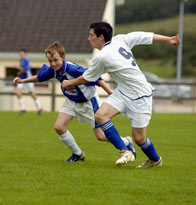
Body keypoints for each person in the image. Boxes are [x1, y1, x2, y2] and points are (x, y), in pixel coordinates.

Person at [62, 22, 180, 167]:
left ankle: (155, 161)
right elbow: (145, 36)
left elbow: (87, 78)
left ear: (100, 37)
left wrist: (69, 83)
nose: (88, 38)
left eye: (91, 35)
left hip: (140, 95)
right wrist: (168, 39)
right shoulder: (120, 40)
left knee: (139, 138)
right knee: (100, 116)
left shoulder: (102, 57)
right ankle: (124, 150)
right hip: (123, 91)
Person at [13, 41, 136, 162]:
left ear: (63, 57)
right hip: (71, 102)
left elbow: (97, 78)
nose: (53, 63)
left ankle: (125, 142)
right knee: (59, 127)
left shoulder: (73, 68)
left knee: (101, 136)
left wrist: (109, 91)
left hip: (88, 103)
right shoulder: (53, 70)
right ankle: (78, 154)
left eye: (56, 60)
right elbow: (40, 77)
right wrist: (23, 81)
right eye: (50, 61)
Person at [14, 49, 43, 115]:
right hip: (21, 80)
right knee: (18, 92)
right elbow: (23, 70)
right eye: (20, 54)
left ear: (25, 54)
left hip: (28, 80)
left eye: (22, 54)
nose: (21, 55)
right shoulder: (21, 60)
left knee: (31, 94)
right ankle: (23, 108)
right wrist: (19, 73)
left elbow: (25, 69)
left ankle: (39, 108)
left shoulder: (26, 60)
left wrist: (18, 67)